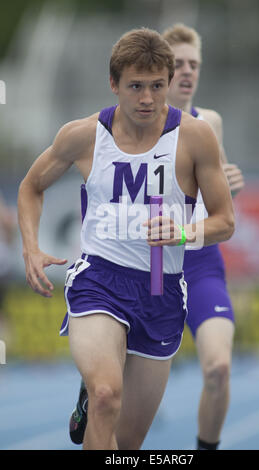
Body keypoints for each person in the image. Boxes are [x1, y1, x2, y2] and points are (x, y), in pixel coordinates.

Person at [18, 27, 234, 450]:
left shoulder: (195, 137)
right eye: (136, 86)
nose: (148, 99)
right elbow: (30, 186)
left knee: (128, 444)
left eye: (157, 86)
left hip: (161, 290)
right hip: (99, 279)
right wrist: (30, 247)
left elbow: (226, 221)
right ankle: (93, 387)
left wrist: (185, 232)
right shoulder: (83, 135)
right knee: (105, 396)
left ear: (169, 84)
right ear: (114, 84)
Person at [162, 23, 244, 450]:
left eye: (194, 64)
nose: (188, 72)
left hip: (198, 261)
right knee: (113, 385)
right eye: (178, 64)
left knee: (218, 369)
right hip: (150, 265)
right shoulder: (132, 123)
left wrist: (232, 180)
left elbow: (221, 198)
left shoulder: (210, 122)